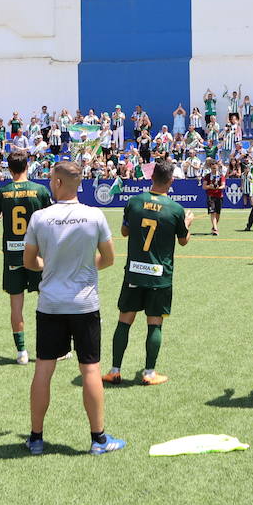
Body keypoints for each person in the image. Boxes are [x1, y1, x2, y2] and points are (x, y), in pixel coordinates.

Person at [22, 161, 124, 455]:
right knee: (90, 368)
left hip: (51, 303)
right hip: (84, 303)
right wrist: (83, 269)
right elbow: (108, 258)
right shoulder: (94, 215)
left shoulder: (40, 218)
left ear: (56, 182)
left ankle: (36, 439)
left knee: (44, 368)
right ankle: (98, 439)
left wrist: (49, 266)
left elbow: (29, 262)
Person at [105, 159, 193, 386]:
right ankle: (149, 373)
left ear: (151, 177)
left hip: (134, 271)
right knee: (154, 323)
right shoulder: (176, 209)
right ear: (171, 181)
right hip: (159, 275)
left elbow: (124, 232)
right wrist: (188, 223)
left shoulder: (134, 202)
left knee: (124, 321)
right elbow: (183, 242)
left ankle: (114, 370)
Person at [0, 149, 54, 364]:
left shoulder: (2, 192)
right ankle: (53, 348)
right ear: (27, 166)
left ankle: (21, 353)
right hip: (37, 254)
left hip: (13, 256)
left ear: (9, 169)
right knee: (46, 300)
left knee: (16, 305)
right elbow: (51, 220)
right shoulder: (40, 190)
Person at [202, 158, 225, 235]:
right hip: (211, 196)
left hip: (219, 195)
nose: (213, 170)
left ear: (217, 166)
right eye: (212, 168)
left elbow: (223, 186)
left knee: (218, 213)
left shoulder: (221, 175)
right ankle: (215, 229)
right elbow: (204, 186)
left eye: (215, 168)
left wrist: (217, 187)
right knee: (213, 212)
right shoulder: (208, 176)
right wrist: (210, 186)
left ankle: (214, 227)